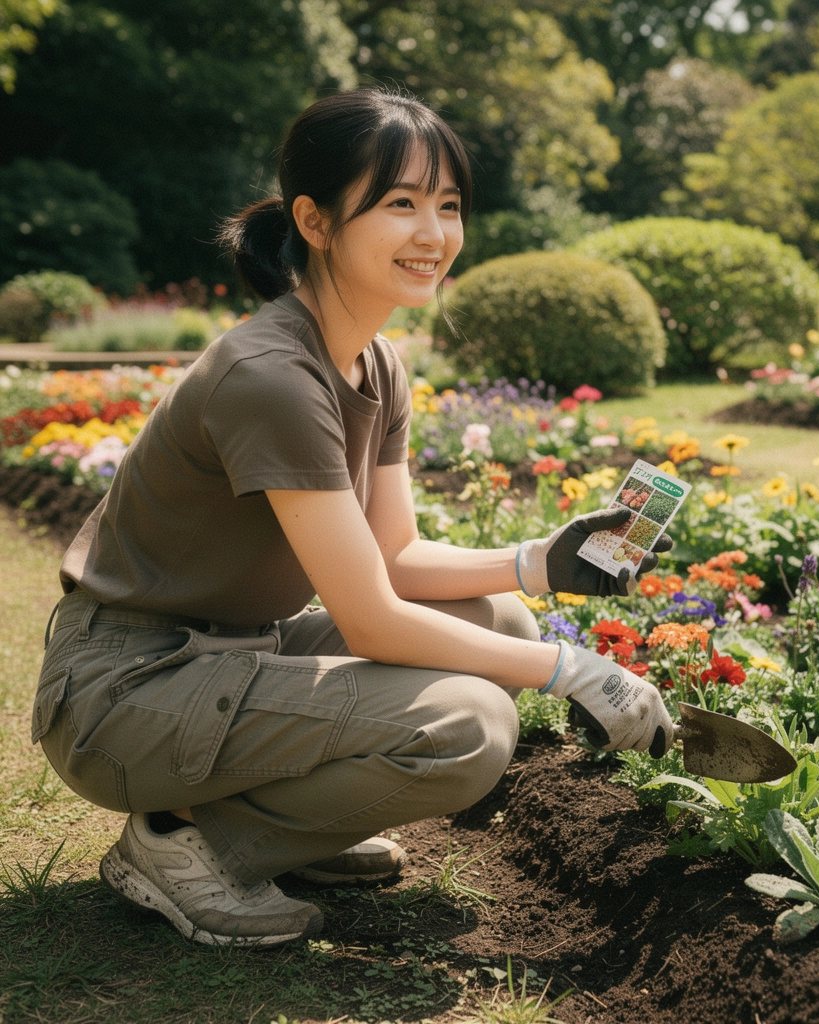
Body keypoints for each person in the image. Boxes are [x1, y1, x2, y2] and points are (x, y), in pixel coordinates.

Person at [32, 88, 674, 948]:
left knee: (500, 617)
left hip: (227, 657)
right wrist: (572, 670)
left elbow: (395, 558)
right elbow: (371, 615)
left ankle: (291, 824)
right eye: (400, 203)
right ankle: (195, 849)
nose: (434, 234)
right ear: (316, 220)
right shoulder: (272, 377)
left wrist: (537, 562)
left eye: (448, 206)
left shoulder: (378, 364)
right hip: (125, 690)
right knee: (471, 727)